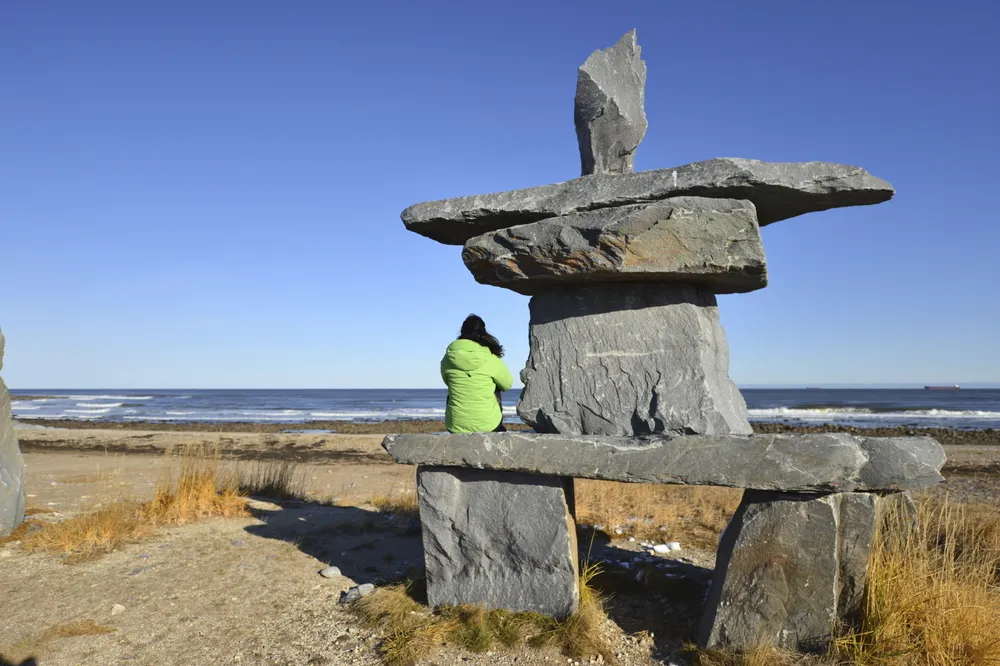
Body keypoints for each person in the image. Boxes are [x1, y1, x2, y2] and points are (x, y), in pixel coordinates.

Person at [441, 314, 514, 433]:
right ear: (483, 333)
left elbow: (447, 382)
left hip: (455, 426)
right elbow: (507, 385)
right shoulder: (491, 358)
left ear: (462, 332)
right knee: (496, 386)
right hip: (489, 425)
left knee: (454, 387)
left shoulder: (447, 359)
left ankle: (460, 420)